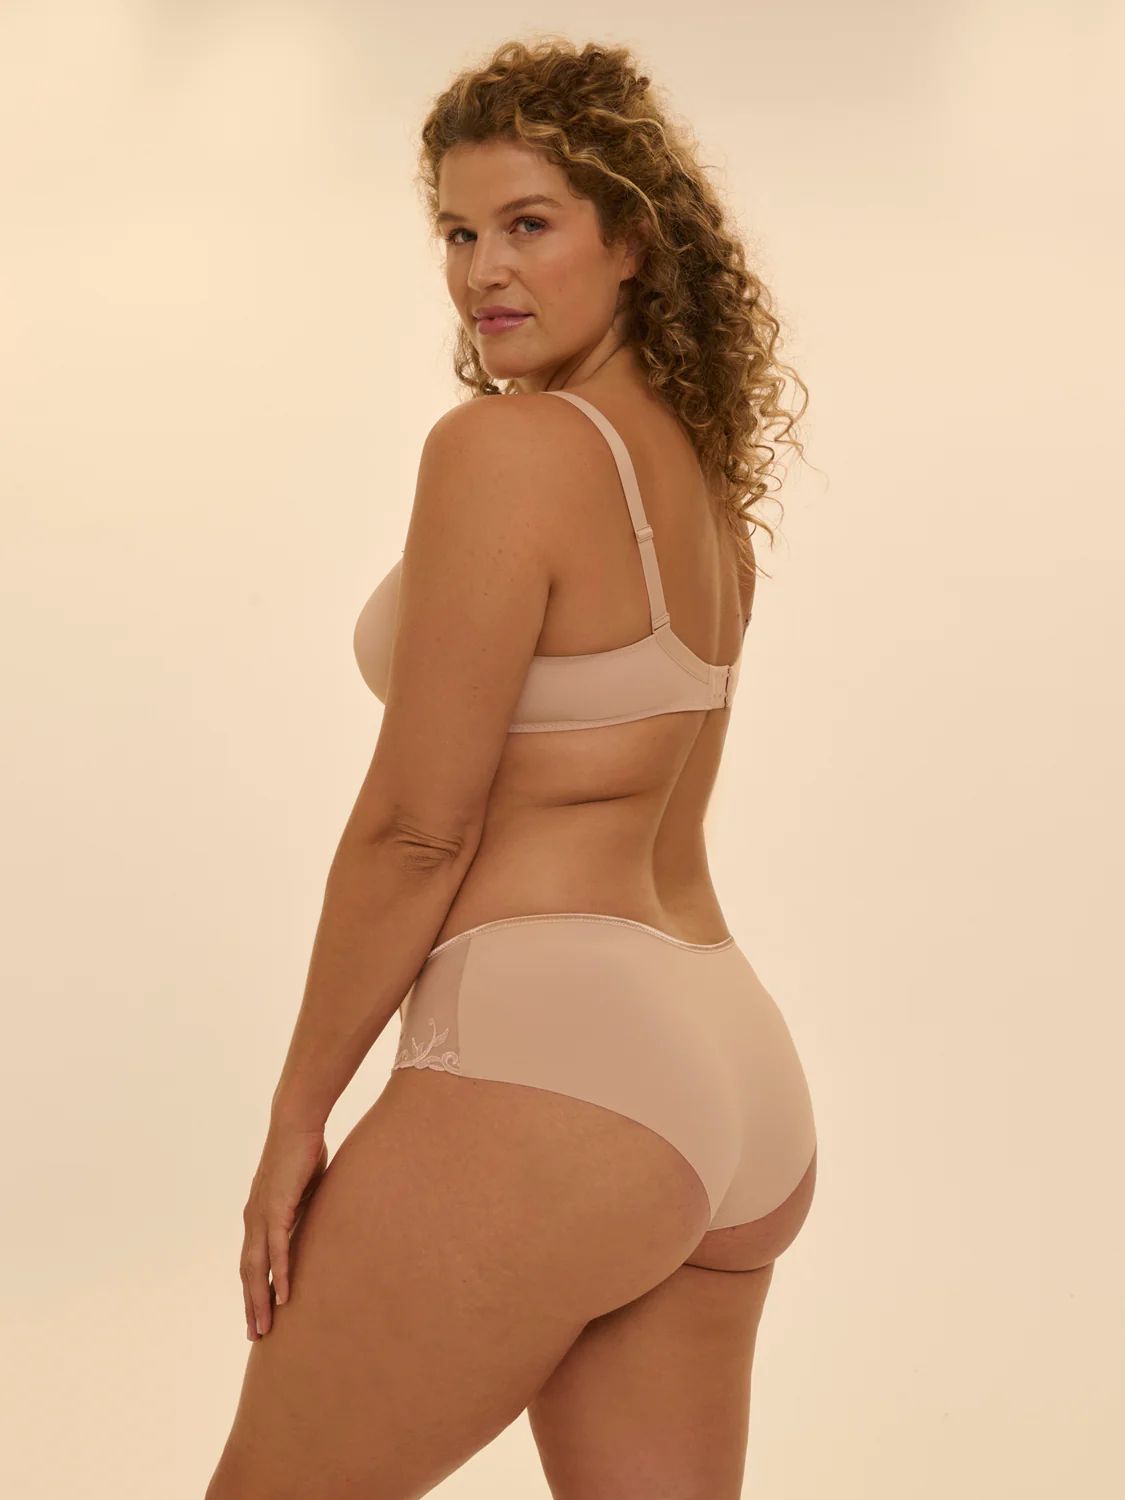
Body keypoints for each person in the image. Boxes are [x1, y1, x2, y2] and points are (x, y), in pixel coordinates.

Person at [206, 36, 817, 1500]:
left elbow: (418, 829)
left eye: (528, 224)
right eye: (458, 233)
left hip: (554, 1060)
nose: (483, 270)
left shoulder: (509, 451)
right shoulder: (694, 480)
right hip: (730, 1067)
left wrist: (297, 1119)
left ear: (633, 239)